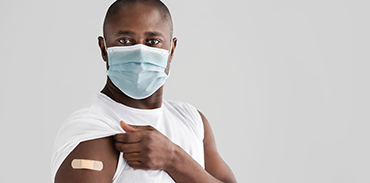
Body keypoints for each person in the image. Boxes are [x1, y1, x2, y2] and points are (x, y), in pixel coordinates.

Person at [51, 0, 237, 182]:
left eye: (153, 41)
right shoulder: (93, 129)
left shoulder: (192, 120)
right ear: (104, 48)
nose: (140, 52)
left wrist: (174, 159)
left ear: (171, 49)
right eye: (125, 41)